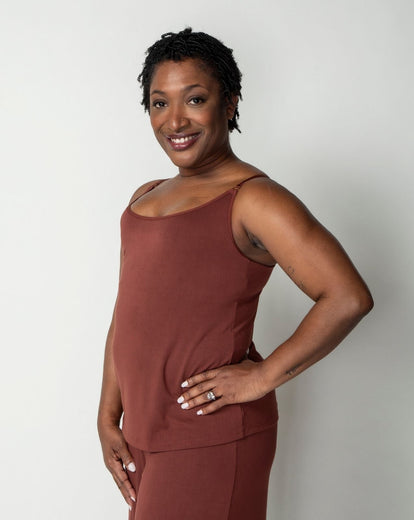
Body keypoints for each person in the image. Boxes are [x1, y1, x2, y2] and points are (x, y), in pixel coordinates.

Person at [97, 28, 373, 520]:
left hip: (211, 436)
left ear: (229, 103)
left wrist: (262, 377)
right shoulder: (145, 197)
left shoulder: (254, 199)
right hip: (145, 433)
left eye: (195, 99)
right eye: (159, 103)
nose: (175, 120)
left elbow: (347, 296)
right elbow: (127, 314)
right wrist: (107, 415)